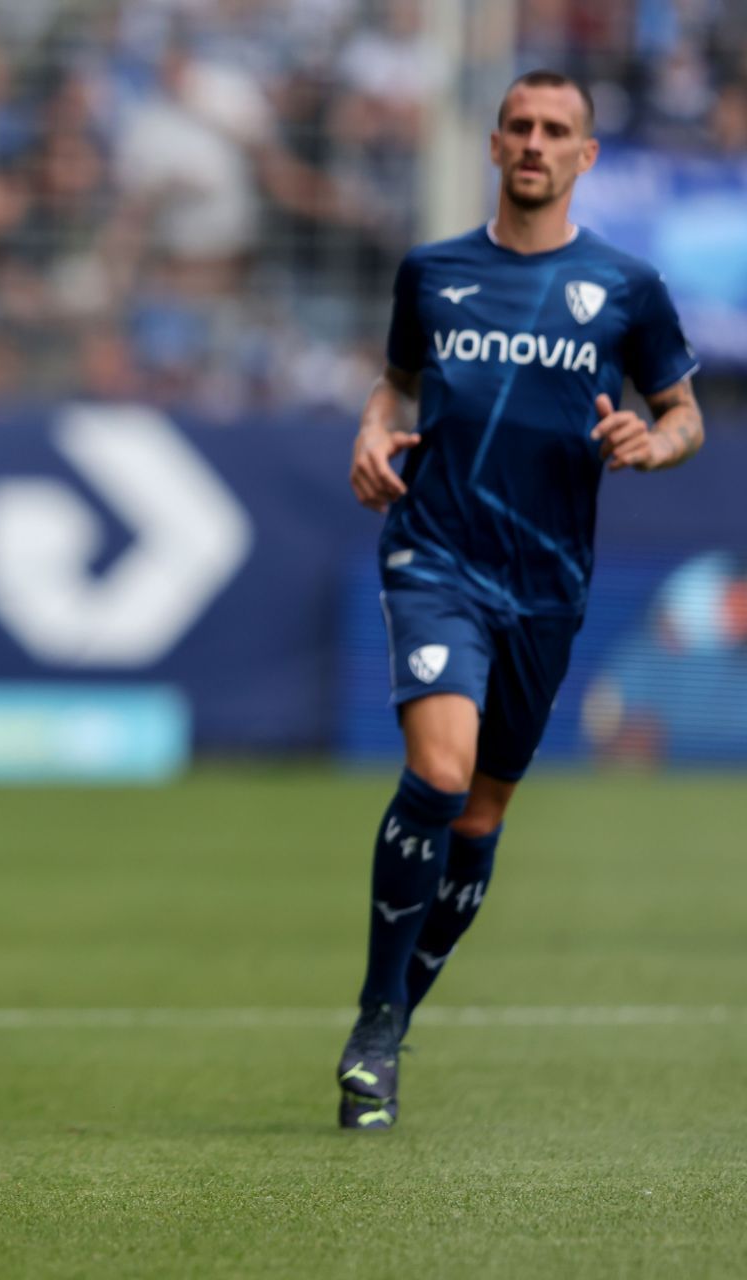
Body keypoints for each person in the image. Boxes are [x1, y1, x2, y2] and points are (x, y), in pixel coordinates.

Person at [337, 70, 704, 1131]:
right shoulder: (434, 272)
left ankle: (394, 1021)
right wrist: (372, 429)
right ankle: (373, 1021)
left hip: (547, 582)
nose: (536, 142)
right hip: (436, 554)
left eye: (558, 131)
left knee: (484, 814)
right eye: (521, 126)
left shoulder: (626, 288)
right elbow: (397, 383)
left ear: (586, 156)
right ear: (494, 145)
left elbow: (683, 414)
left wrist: (653, 440)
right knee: (440, 773)